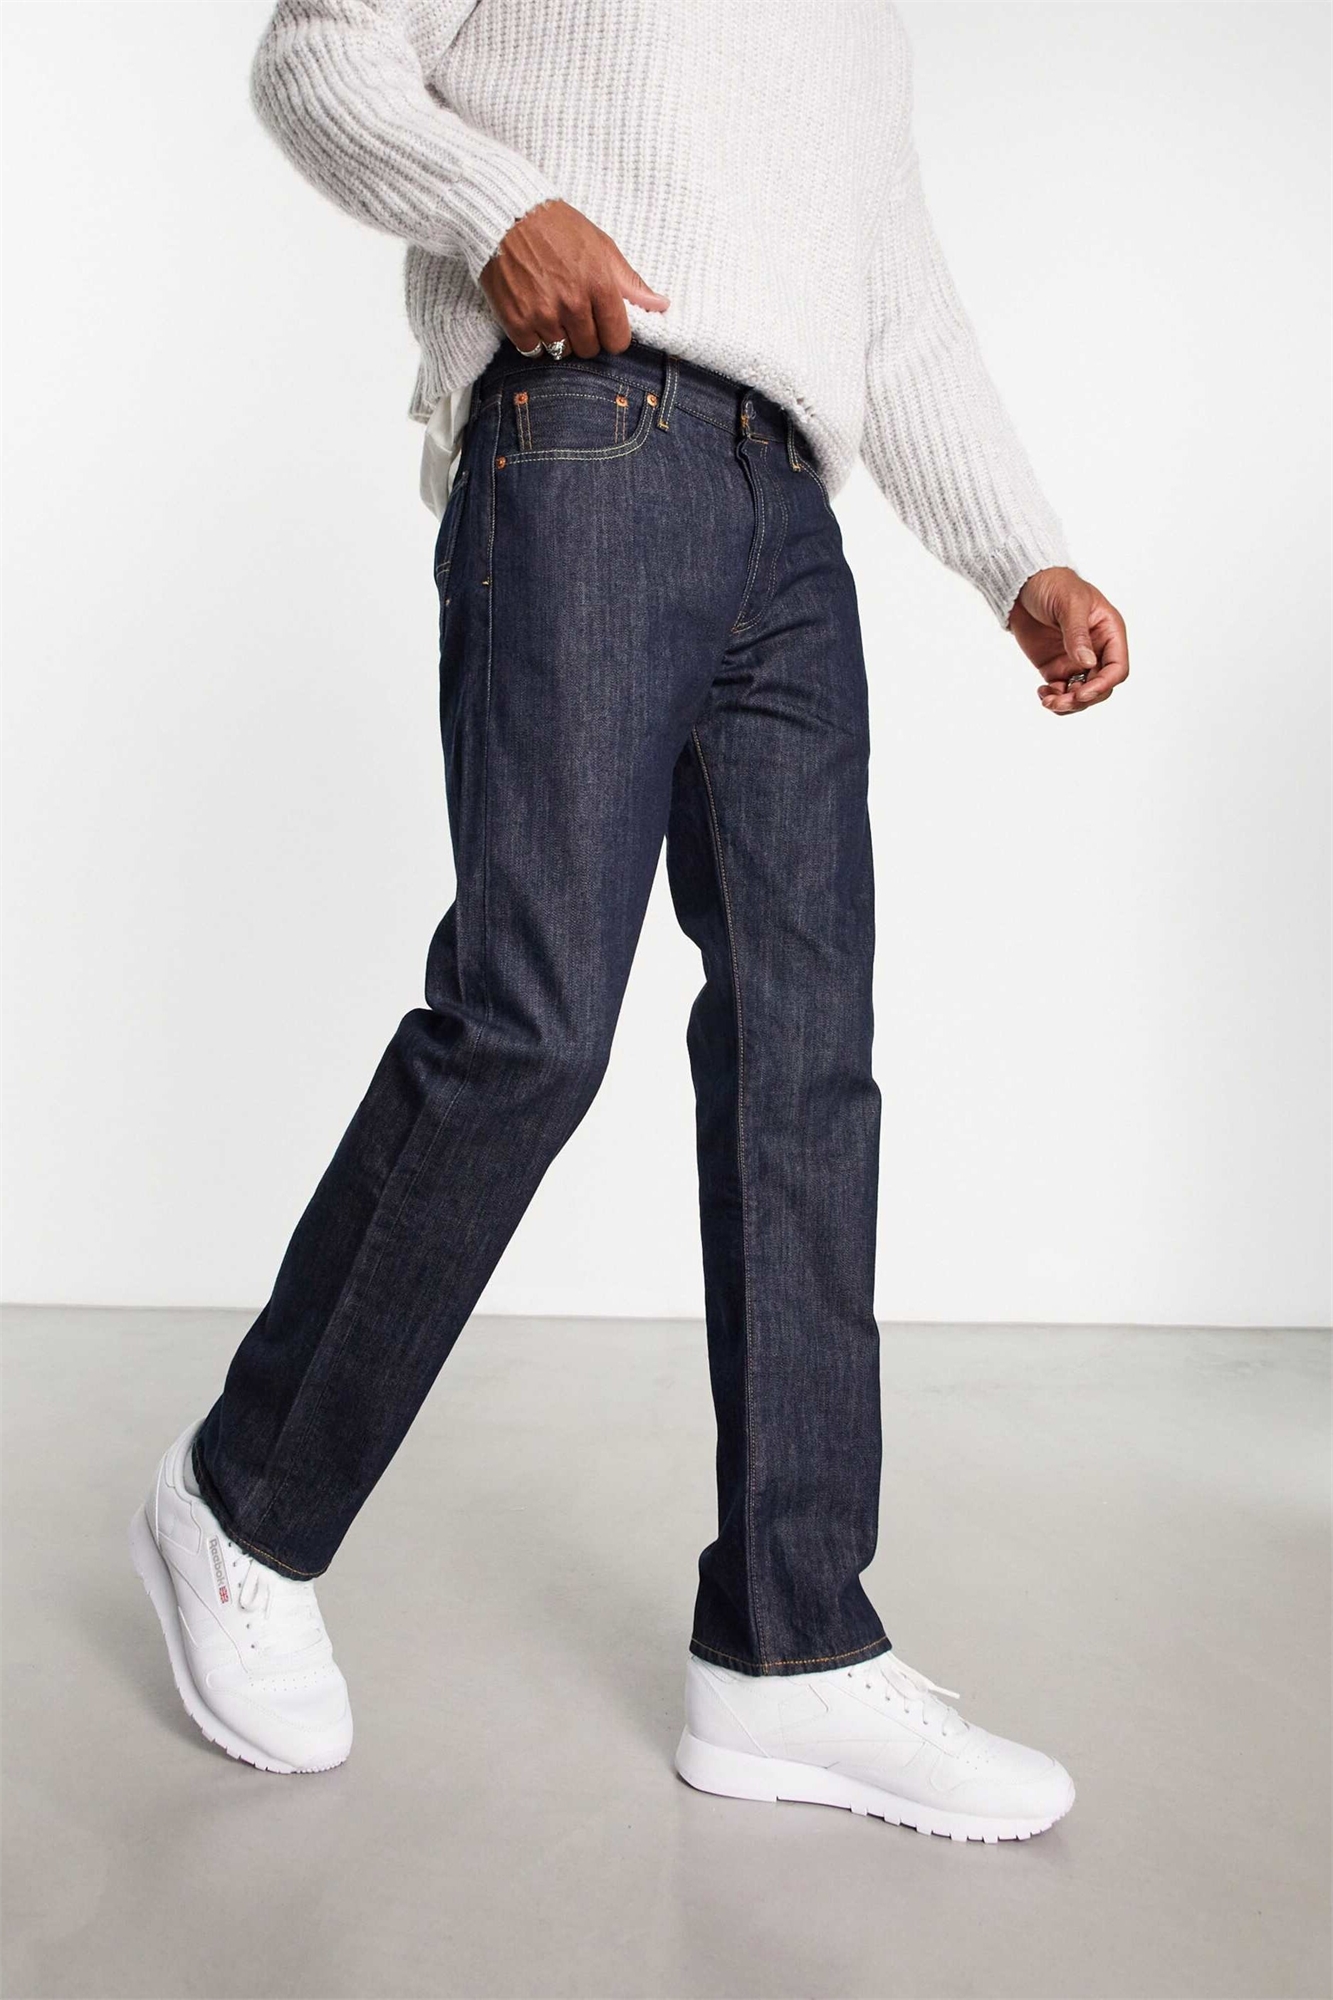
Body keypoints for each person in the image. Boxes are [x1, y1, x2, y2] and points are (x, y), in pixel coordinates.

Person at [130, 0, 1127, 1838]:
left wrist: (1019, 551)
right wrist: (494, 204)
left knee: (807, 1076)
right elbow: (321, 52)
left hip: (789, 513)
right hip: (589, 430)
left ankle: (788, 1648)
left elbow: (890, 286)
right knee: (530, 1022)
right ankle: (238, 1506)